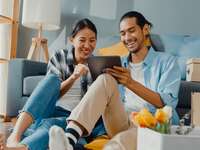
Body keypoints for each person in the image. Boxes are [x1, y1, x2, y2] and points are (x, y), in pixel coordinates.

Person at [48, 11, 181, 150]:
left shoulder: (167, 62)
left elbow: (167, 103)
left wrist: (130, 83)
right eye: (123, 33)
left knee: (119, 143)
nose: (127, 37)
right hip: (121, 121)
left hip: (152, 125)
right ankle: (69, 140)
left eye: (131, 31)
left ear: (145, 29)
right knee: (105, 79)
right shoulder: (117, 63)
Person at [0, 18, 106, 150]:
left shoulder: (97, 65)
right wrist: (73, 77)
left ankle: (21, 147)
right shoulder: (59, 57)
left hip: (73, 117)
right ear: (72, 40)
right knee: (52, 80)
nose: (87, 45)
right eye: (82, 40)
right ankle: (14, 136)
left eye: (92, 40)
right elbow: (52, 92)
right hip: (52, 107)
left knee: (51, 128)